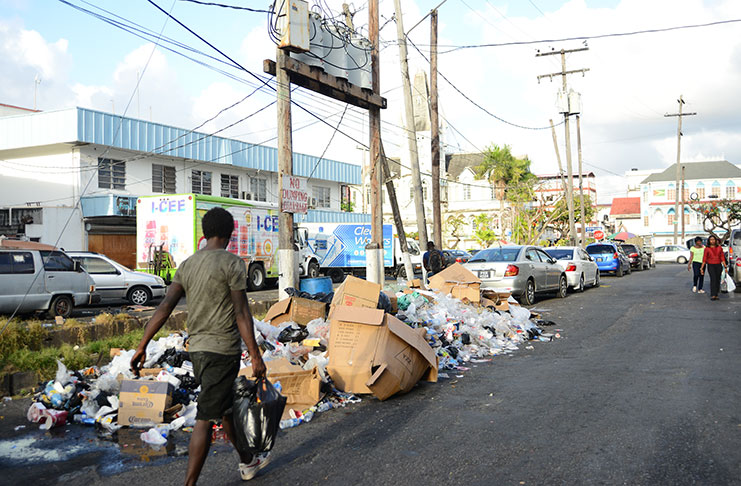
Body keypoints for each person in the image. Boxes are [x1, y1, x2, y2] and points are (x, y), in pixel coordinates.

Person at [131, 207, 268, 485]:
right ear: (229, 234)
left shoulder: (188, 264)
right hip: (222, 350)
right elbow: (242, 313)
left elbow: (165, 307)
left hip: (198, 352)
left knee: (224, 407)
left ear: (205, 234)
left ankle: (247, 461)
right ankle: (189, 483)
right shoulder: (232, 263)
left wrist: (142, 345)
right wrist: (255, 355)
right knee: (206, 416)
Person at [700, 234, 727, 301]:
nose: (712, 241)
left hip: (718, 265)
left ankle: (716, 294)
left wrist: (725, 266)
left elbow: (722, 257)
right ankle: (713, 295)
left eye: (713, 239)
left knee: (718, 279)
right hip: (711, 265)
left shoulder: (719, 248)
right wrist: (702, 268)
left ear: (715, 240)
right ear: (709, 241)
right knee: (713, 279)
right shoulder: (707, 249)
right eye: (711, 240)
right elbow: (704, 258)